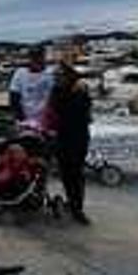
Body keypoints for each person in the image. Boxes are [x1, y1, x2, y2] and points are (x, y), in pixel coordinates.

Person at [50, 63, 92, 225]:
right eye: (55, 76)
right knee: (66, 173)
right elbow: (58, 108)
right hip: (62, 138)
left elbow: (84, 111)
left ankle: (78, 208)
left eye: (59, 76)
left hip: (78, 138)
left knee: (77, 174)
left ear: (68, 76)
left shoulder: (81, 91)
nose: (56, 79)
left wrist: (80, 90)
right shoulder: (57, 91)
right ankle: (72, 202)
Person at [9, 47, 54, 127]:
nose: (37, 60)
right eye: (34, 57)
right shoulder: (20, 73)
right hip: (25, 120)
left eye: (40, 57)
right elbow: (14, 97)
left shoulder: (51, 73)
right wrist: (21, 119)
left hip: (46, 120)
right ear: (30, 58)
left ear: (44, 58)